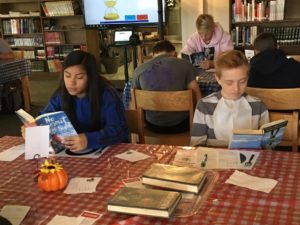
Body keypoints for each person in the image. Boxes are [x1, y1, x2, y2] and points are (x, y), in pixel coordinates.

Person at [22, 50, 129, 151]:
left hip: (109, 152)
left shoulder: (107, 95)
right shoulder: (61, 95)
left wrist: (88, 139)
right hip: (74, 154)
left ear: (91, 77)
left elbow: (119, 129)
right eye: (67, 76)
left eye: (79, 77)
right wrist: (32, 129)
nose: (71, 83)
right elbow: (44, 118)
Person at [191, 50, 269, 147]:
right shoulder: (204, 106)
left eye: (242, 81)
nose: (236, 89)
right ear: (218, 79)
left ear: (248, 78)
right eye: (229, 83)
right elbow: (196, 144)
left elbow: (267, 146)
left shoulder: (259, 106)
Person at [132, 40, 201, 134]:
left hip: (152, 125)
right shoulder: (186, 65)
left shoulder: (138, 70)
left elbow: (133, 104)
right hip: (181, 125)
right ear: (175, 53)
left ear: (153, 55)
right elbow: (197, 96)